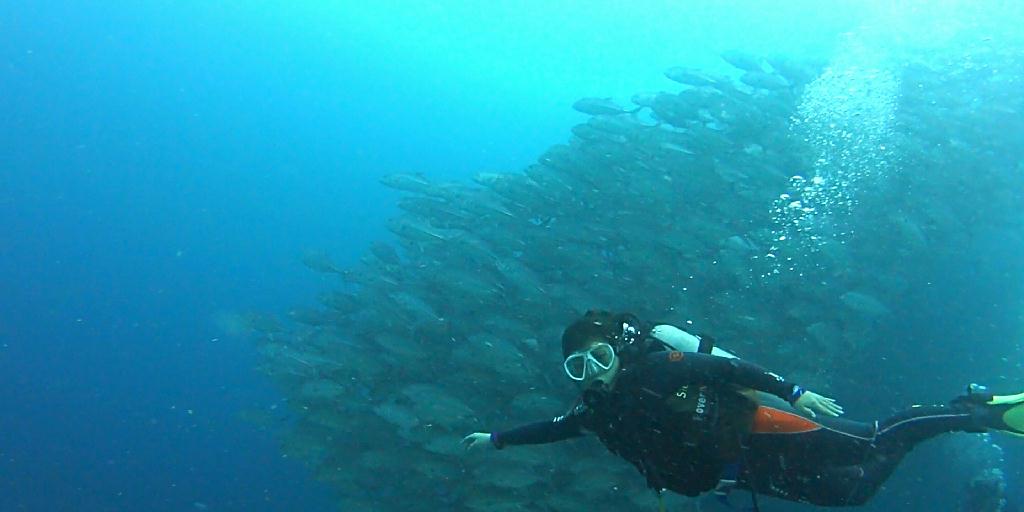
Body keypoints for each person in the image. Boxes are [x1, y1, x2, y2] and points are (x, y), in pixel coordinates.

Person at [463, 310, 1024, 508]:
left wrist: (794, 391)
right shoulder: (596, 413)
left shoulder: (657, 371)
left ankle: (975, 413)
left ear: (618, 351)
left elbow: (729, 372)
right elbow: (552, 429)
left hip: (761, 427)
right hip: (738, 472)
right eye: (578, 367)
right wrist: (497, 439)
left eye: (600, 356)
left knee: (871, 440)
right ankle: (959, 414)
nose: (593, 372)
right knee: (850, 493)